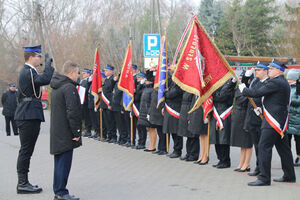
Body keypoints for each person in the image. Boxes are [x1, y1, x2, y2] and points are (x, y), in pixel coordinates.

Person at [240, 58, 296, 186]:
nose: (269, 70)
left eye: (271, 68)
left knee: (264, 147)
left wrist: (243, 89)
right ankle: (289, 175)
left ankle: (264, 178)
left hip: (272, 121)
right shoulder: (281, 81)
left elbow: (256, 93)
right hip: (279, 121)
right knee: (284, 150)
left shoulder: (276, 82)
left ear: (278, 71)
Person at [15, 45, 54, 194]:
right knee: (26, 150)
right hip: (27, 114)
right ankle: (22, 183)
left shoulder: (30, 71)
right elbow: (45, 79)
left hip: (29, 113)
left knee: (27, 150)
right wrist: (49, 66)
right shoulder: (28, 71)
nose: (41, 59)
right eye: (39, 56)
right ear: (31, 57)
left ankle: (24, 182)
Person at [50, 61, 81, 200]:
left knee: (59, 163)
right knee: (64, 163)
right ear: (71, 73)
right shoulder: (69, 87)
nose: (79, 75)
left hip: (58, 131)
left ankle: (58, 191)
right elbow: (72, 112)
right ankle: (61, 192)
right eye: (78, 72)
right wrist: (77, 132)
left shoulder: (57, 86)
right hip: (66, 132)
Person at [245, 61, 269, 176]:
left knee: (263, 146)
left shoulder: (269, 83)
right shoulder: (255, 81)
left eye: (259, 70)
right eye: (256, 70)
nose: (256, 72)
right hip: (253, 119)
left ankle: (263, 168)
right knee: (257, 145)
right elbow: (247, 92)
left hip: (262, 119)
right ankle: (259, 167)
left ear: (265, 71)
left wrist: (261, 109)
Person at [209, 80, 235, 169]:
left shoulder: (229, 83)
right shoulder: (217, 83)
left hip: (224, 114)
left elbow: (221, 97)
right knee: (216, 139)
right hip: (216, 113)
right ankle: (220, 159)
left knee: (223, 139)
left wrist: (213, 94)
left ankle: (225, 161)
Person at [230, 72, 253, 172]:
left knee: (247, 142)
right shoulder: (240, 88)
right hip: (238, 116)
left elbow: (245, 102)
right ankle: (241, 162)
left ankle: (246, 163)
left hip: (246, 116)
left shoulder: (250, 89)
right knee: (242, 142)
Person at [178, 92, 200, 162]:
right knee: (188, 135)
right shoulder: (187, 89)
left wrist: (190, 116)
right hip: (184, 111)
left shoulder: (194, 90)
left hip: (191, 111)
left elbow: (193, 104)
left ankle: (194, 154)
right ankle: (189, 153)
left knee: (193, 136)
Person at [285, 70, 300, 167]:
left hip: (297, 119)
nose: (288, 80)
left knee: (298, 140)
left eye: (290, 78)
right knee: (287, 140)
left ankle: (298, 156)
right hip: (288, 118)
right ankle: (288, 157)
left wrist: (288, 98)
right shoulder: (287, 87)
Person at [100, 64, 117, 143]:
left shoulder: (113, 79)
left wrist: (110, 103)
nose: (105, 72)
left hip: (109, 104)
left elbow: (111, 92)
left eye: (107, 70)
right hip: (104, 104)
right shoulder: (106, 80)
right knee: (107, 121)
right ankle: (109, 135)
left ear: (111, 71)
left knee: (111, 121)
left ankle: (113, 136)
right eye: (105, 70)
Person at [80, 68, 92, 137]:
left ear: (88, 74)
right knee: (84, 117)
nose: (83, 75)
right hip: (82, 101)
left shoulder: (89, 79)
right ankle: (86, 130)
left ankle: (88, 130)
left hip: (87, 101)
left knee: (88, 117)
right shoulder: (82, 81)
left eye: (84, 73)